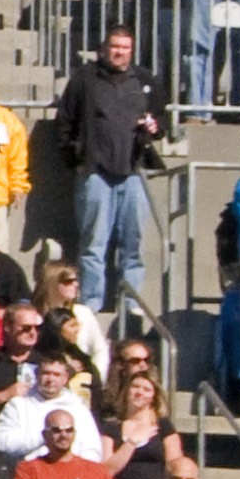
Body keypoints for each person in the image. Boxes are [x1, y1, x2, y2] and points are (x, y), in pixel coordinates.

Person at [54, 27, 163, 316]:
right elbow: (64, 123)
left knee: (134, 244)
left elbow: (161, 119)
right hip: (96, 173)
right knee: (93, 245)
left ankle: (131, 306)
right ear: (103, 49)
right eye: (115, 47)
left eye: (126, 48)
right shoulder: (84, 79)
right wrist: (76, 160)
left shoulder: (144, 79)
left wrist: (155, 127)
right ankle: (91, 304)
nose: (120, 53)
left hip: (134, 173)